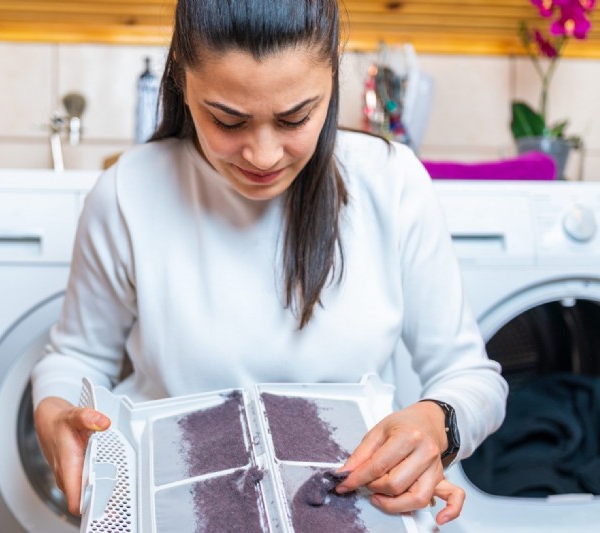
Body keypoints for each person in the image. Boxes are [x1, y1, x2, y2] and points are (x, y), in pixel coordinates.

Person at [31, 0, 508, 527]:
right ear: (182, 83)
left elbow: (471, 377)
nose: (262, 155)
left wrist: (438, 422)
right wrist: (54, 415)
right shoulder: (128, 190)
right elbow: (75, 355)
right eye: (227, 120)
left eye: (296, 118)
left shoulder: (392, 183)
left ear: (332, 82)